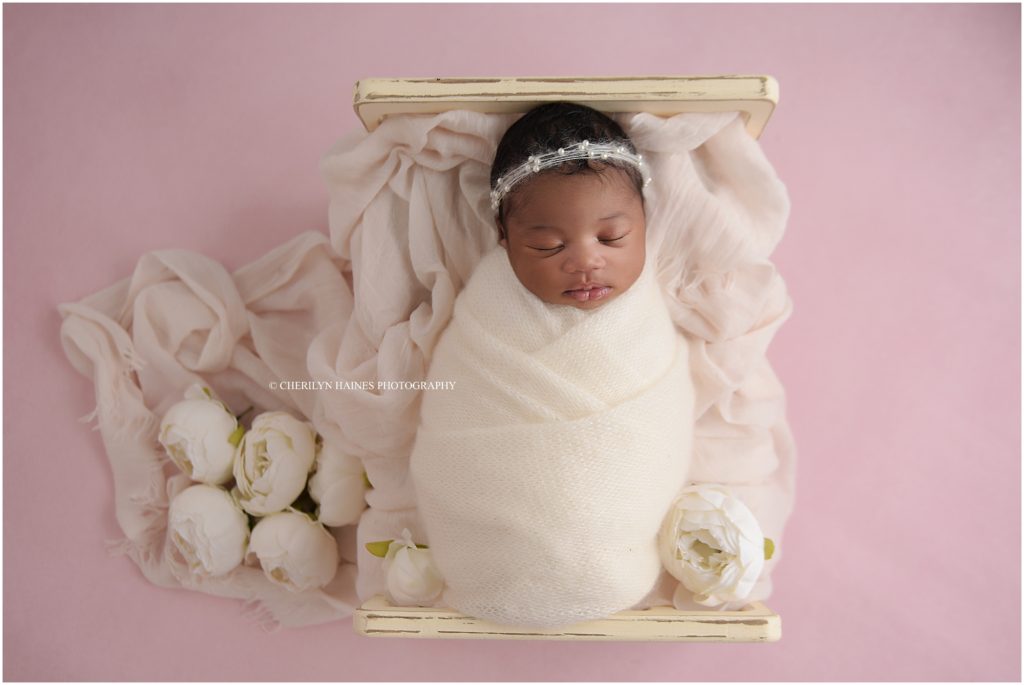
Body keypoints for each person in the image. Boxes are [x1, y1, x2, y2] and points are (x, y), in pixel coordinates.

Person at [489, 102, 652, 309]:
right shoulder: (489, 299)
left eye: (611, 237)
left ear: (644, 217)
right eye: (548, 245)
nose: (585, 263)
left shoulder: (656, 299)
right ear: (503, 234)